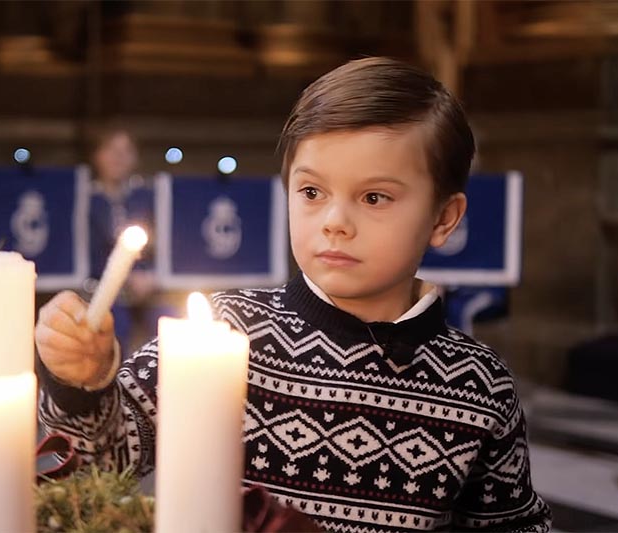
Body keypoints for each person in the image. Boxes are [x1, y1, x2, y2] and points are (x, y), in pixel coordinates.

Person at [35, 58, 552, 531]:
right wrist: (83, 381)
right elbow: (104, 456)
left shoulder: (480, 386)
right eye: (311, 192)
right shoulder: (224, 334)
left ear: (443, 218)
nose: (334, 223)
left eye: (374, 197)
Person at [85, 124, 165, 352]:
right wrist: (125, 278)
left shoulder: (149, 197)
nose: (118, 158)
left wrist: (152, 275)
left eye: (126, 151)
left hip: (148, 285)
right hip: (101, 289)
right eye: (111, 149)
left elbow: (165, 242)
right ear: (97, 155)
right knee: (112, 334)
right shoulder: (85, 200)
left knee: (171, 322)